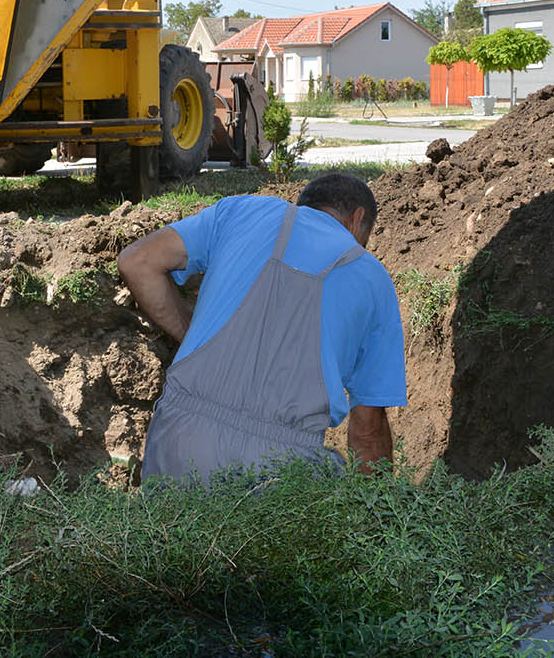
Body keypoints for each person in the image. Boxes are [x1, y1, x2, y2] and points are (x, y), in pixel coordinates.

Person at [118, 173, 406, 484]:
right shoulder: (373, 278)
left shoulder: (240, 213)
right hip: (282, 465)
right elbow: (367, 429)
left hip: (181, 439)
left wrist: (195, 335)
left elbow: (137, 261)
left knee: (170, 531)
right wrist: (378, 515)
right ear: (357, 218)